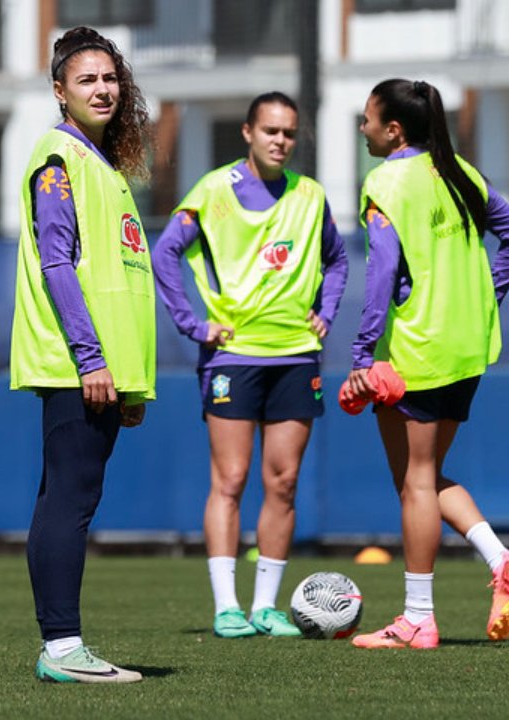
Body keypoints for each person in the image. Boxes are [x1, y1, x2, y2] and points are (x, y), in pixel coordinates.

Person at [346, 79, 509, 650]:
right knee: (423, 477)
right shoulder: (462, 173)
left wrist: (361, 354)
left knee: (415, 483)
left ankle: (418, 619)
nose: (363, 128)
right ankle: (501, 561)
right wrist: (482, 299)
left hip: (418, 349)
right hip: (467, 346)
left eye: (367, 119)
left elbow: (381, 274)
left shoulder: (385, 182)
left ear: (393, 130)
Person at [153, 92, 348, 639]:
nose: (280, 141)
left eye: (289, 133)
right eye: (270, 131)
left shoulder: (311, 195)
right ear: (247, 133)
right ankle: (226, 608)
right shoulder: (213, 190)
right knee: (231, 478)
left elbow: (337, 260)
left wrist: (327, 311)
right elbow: (165, 252)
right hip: (233, 356)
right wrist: (193, 325)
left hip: (295, 355)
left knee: (283, 481)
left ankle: (265, 607)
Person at [9, 27, 154, 683]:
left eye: (110, 78)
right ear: (59, 90)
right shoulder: (59, 157)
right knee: (70, 501)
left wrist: (131, 382)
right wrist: (93, 359)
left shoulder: (102, 164)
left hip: (104, 369)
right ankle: (63, 648)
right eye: (87, 79)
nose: (102, 89)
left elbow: (118, 277)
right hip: (78, 364)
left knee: (64, 499)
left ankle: (61, 646)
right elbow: (57, 262)